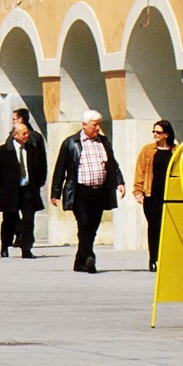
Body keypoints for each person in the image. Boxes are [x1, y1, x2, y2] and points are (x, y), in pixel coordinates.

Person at [50, 109, 126, 273]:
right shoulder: (71, 143)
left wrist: (119, 182)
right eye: (94, 125)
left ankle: (80, 260)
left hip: (99, 192)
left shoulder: (103, 142)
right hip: (80, 192)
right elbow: (60, 169)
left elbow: (113, 164)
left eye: (99, 124)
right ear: (84, 125)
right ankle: (90, 257)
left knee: (93, 225)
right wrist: (55, 193)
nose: (98, 128)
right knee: (84, 224)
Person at [0, 120, 45, 258]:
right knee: (9, 219)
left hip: (28, 190)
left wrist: (38, 183)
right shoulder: (3, 151)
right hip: (9, 191)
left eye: (27, 133)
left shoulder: (32, 149)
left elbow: (39, 167)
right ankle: (5, 245)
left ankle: (26, 248)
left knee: (28, 220)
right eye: (24, 133)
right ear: (15, 135)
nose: (27, 136)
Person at [132, 119, 177, 272]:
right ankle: (154, 259)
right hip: (151, 195)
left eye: (158, 132)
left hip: (170, 195)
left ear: (167, 134)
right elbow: (140, 171)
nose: (155, 135)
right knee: (154, 227)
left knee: (168, 228)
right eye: (154, 132)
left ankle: (167, 258)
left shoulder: (176, 151)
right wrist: (138, 191)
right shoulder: (148, 150)